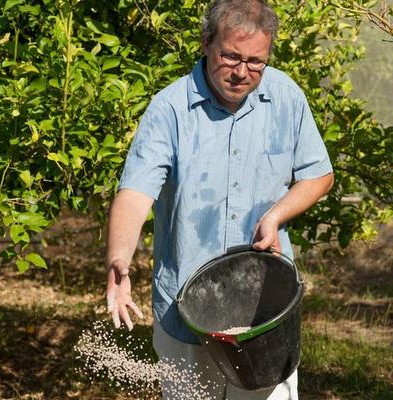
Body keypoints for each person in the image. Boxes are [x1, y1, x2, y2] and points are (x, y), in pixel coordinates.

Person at [104, 0, 334, 398]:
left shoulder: (286, 98)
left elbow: (318, 175)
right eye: (230, 56)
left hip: (265, 309)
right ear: (206, 42)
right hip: (186, 311)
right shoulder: (169, 110)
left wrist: (275, 215)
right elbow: (135, 192)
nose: (242, 72)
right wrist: (119, 260)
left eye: (256, 61)